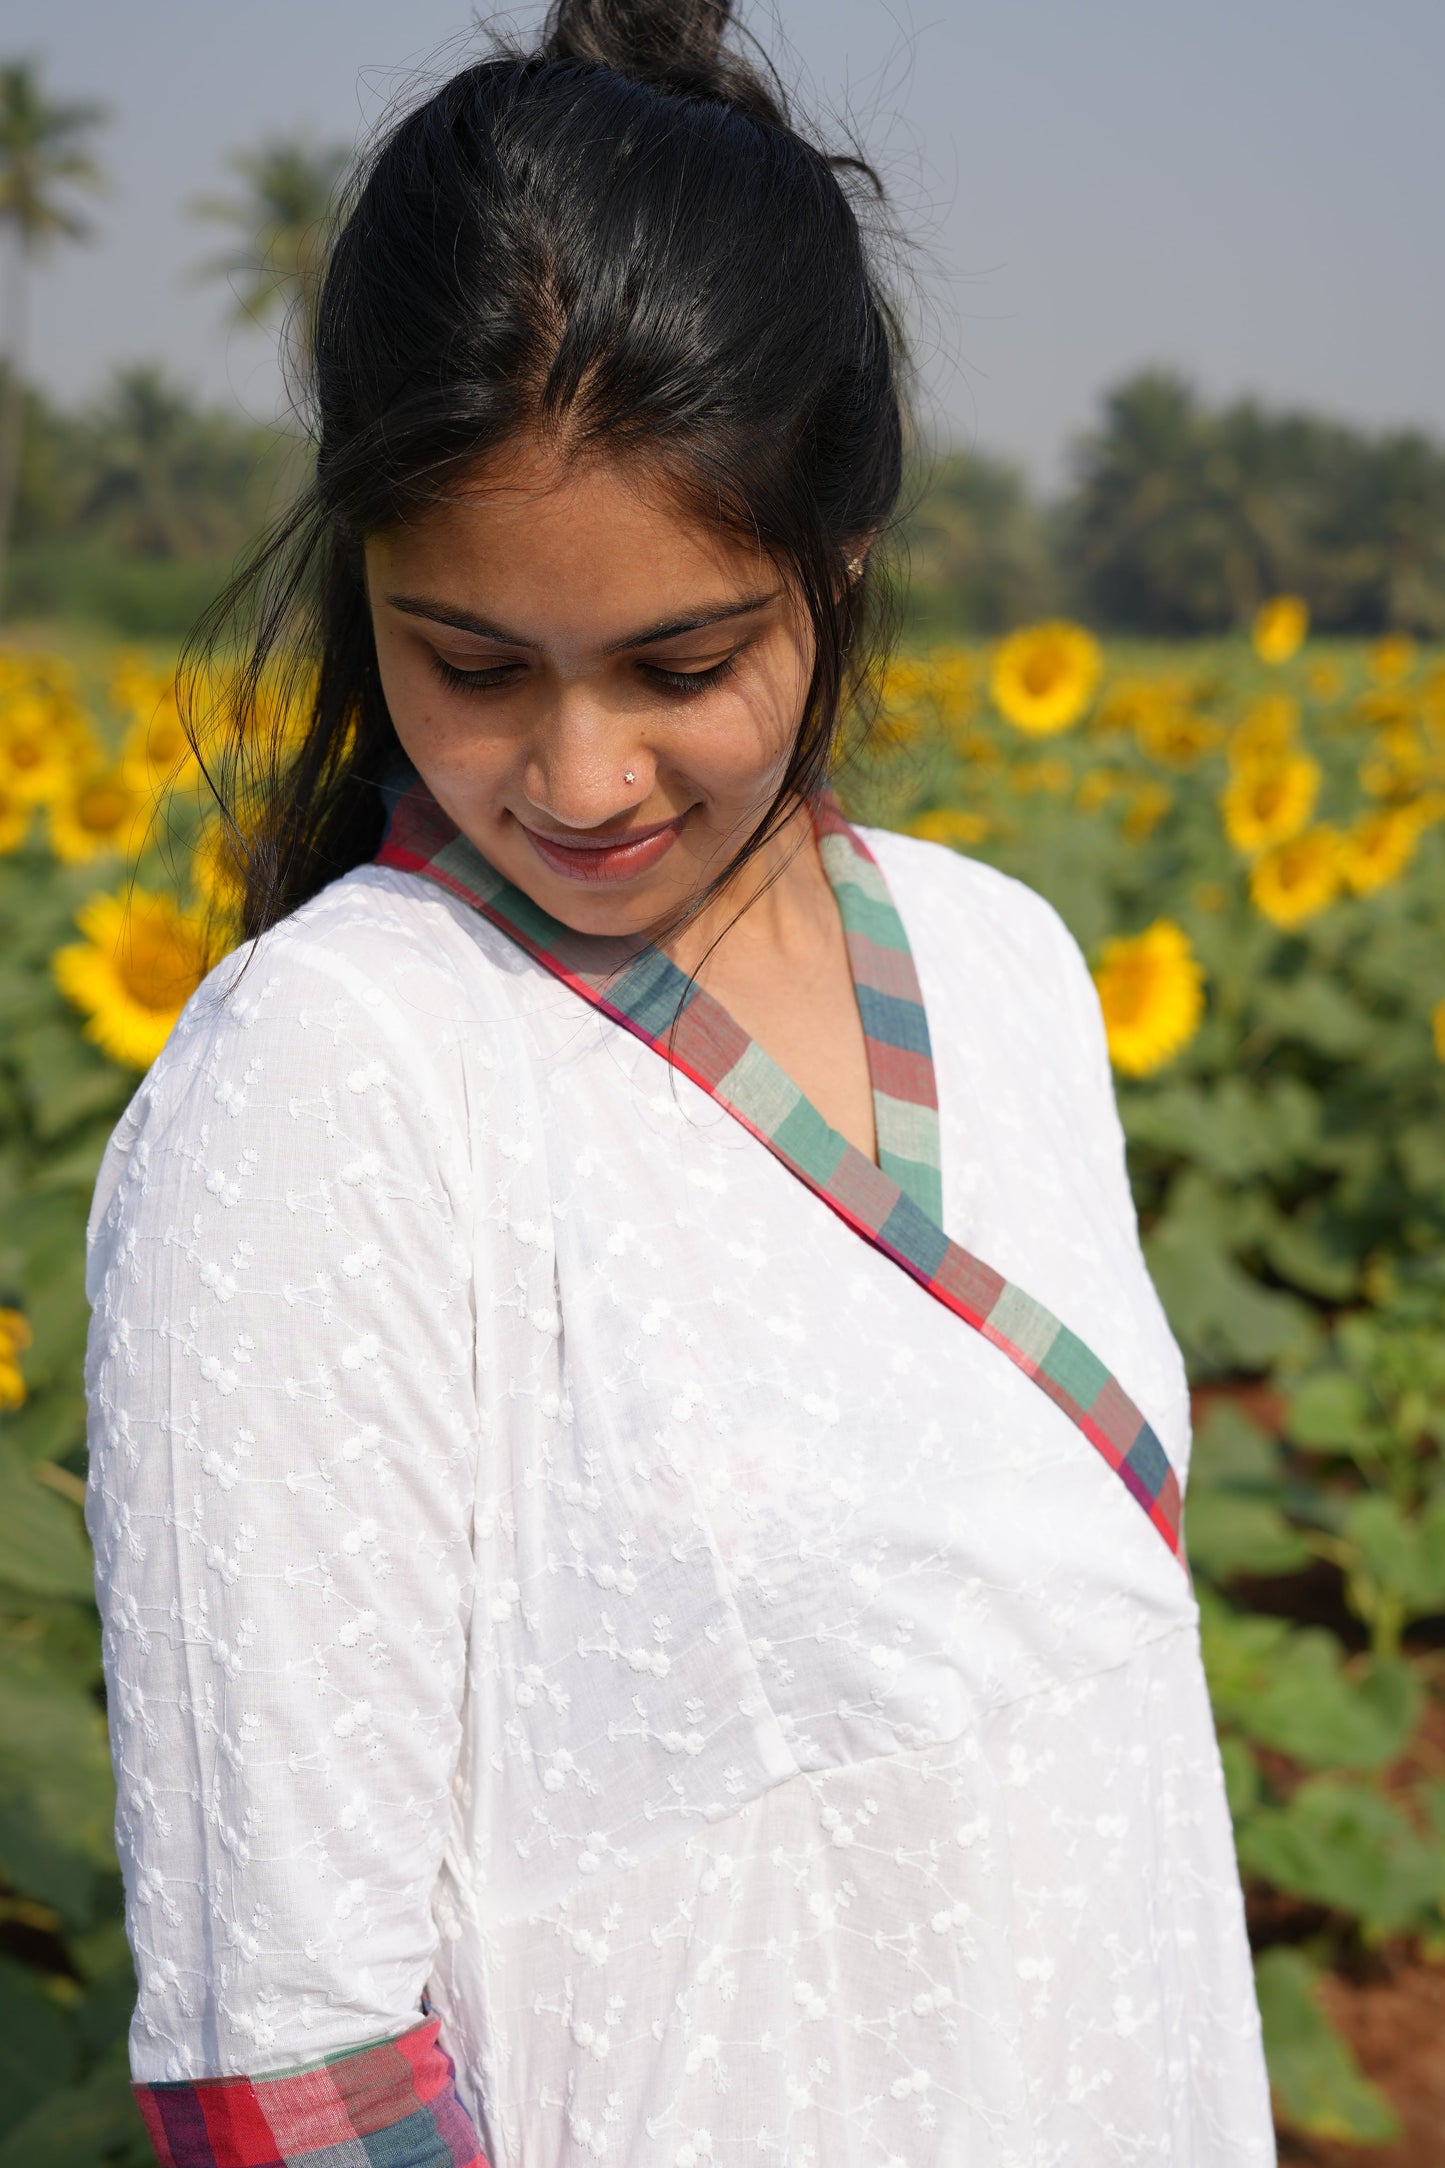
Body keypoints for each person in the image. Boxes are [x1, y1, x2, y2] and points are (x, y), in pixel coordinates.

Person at [83, 4, 1277, 2162]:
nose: (580, 775)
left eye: (682, 661)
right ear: (364, 584)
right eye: (471, 665)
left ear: (836, 556)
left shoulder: (1005, 965)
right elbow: (294, 2066)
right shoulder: (340, 1074)